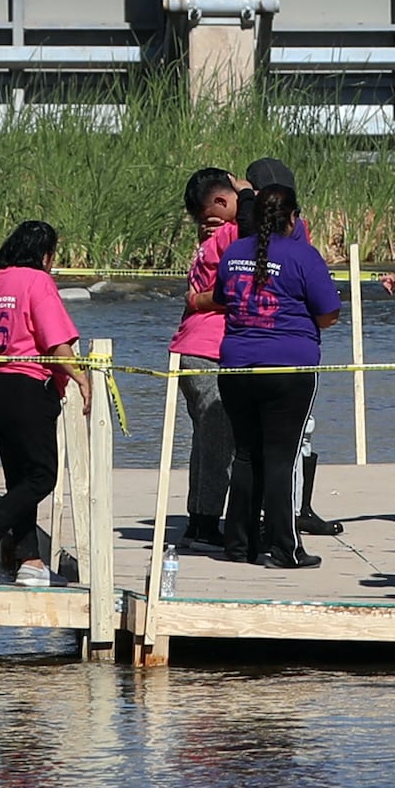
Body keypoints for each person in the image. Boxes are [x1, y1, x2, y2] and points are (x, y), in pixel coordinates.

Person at [204, 170, 341, 571]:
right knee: (281, 457)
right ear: (292, 217)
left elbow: (221, 297)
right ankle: (285, 547)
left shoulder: (233, 252)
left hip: (237, 365)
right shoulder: (302, 255)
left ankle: (240, 542)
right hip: (288, 367)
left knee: (247, 454)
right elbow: (329, 312)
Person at [0, 230, 79, 589]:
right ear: (43, 254)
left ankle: (31, 562)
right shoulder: (37, 282)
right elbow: (56, 341)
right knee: (42, 476)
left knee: (20, 478)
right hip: (27, 387)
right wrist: (81, 379)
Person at [169, 166, 239, 554]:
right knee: (219, 443)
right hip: (211, 349)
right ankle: (207, 523)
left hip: (188, 349)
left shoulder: (204, 244)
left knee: (204, 440)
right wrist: (244, 188)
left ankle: (198, 518)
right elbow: (287, 223)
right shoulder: (230, 235)